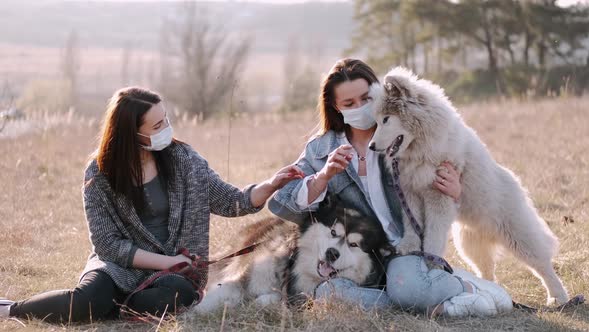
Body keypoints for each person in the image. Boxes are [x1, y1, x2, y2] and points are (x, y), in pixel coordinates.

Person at [0, 87, 303, 323]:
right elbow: (107, 244)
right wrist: (164, 262)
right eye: (157, 125)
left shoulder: (186, 161)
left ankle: (120, 306)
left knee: (174, 298)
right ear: (131, 134)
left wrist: (271, 184)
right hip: (119, 266)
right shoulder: (99, 173)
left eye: (166, 120)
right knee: (85, 301)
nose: (167, 130)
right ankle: (12, 309)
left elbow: (231, 201)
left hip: (176, 276)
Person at [268, 58, 512, 317]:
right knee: (329, 293)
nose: (359, 108)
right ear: (335, 107)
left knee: (405, 287)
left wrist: (455, 191)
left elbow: (452, 179)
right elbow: (282, 201)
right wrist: (323, 177)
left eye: (365, 99)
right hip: (358, 255)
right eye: (349, 104)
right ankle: (431, 303)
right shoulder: (320, 150)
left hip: (405, 248)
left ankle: (468, 287)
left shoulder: (402, 134)